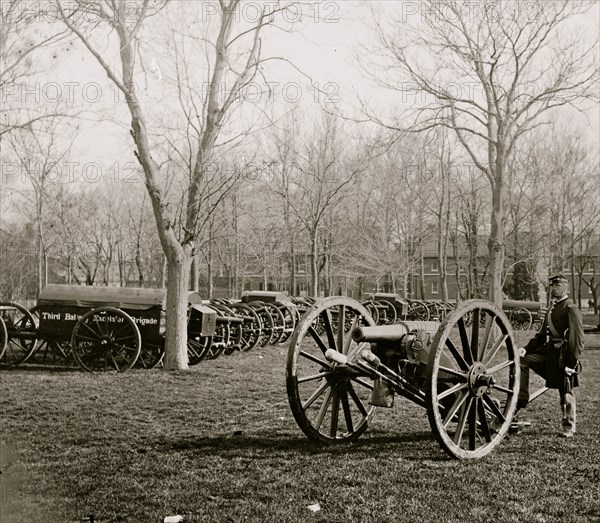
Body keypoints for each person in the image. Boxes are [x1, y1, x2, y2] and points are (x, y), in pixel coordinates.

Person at [517, 274, 584, 438]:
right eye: (552, 286)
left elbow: (577, 340)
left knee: (565, 391)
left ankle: (569, 426)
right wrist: (526, 349)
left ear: (565, 287)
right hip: (549, 356)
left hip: (563, 357)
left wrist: (571, 363)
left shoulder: (571, 308)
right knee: (522, 361)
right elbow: (540, 336)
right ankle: (522, 397)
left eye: (557, 285)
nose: (554, 288)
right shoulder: (551, 308)